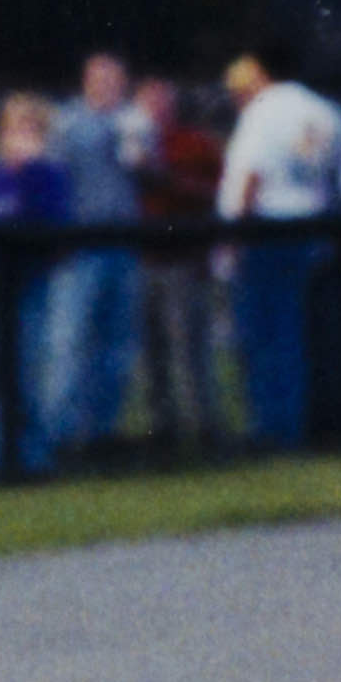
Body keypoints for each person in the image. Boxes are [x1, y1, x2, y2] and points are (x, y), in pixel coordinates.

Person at [216, 52, 341, 450]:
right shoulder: (319, 112)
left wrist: (234, 238)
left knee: (263, 334)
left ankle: (272, 428)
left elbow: (251, 175)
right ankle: (293, 424)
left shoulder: (262, 115)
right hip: (307, 224)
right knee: (293, 333)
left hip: (266, 228)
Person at [0, 90, 68, 476]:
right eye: (15, 127)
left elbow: (54, 227)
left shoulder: (49, 176)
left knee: (26, 370)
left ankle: (33, 458)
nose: (21, 136)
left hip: (28, 284)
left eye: (31, 128)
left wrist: (31, 170)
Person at [44, 53, 147, 458]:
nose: (108, 88)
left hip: (123, 243)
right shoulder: (67, 123)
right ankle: (59, 433)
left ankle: (102, 430)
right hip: (80, 246)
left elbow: (145, 174)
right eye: (100, 80)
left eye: (115, 80)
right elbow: (54, 179)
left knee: (117, 343)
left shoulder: (134, 122)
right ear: (86, 82)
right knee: (69, 341)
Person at [135, 74, 232, 450]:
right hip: (143, 259)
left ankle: (207, 425)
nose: (155, 110)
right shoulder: (128, 144)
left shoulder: (195, 144)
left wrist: (171, 182)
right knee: (152, 351)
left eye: (162, 102)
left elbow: (219, 194)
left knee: (191, 346)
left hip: (183, 259)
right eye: (148, 102)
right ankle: (163, 427)